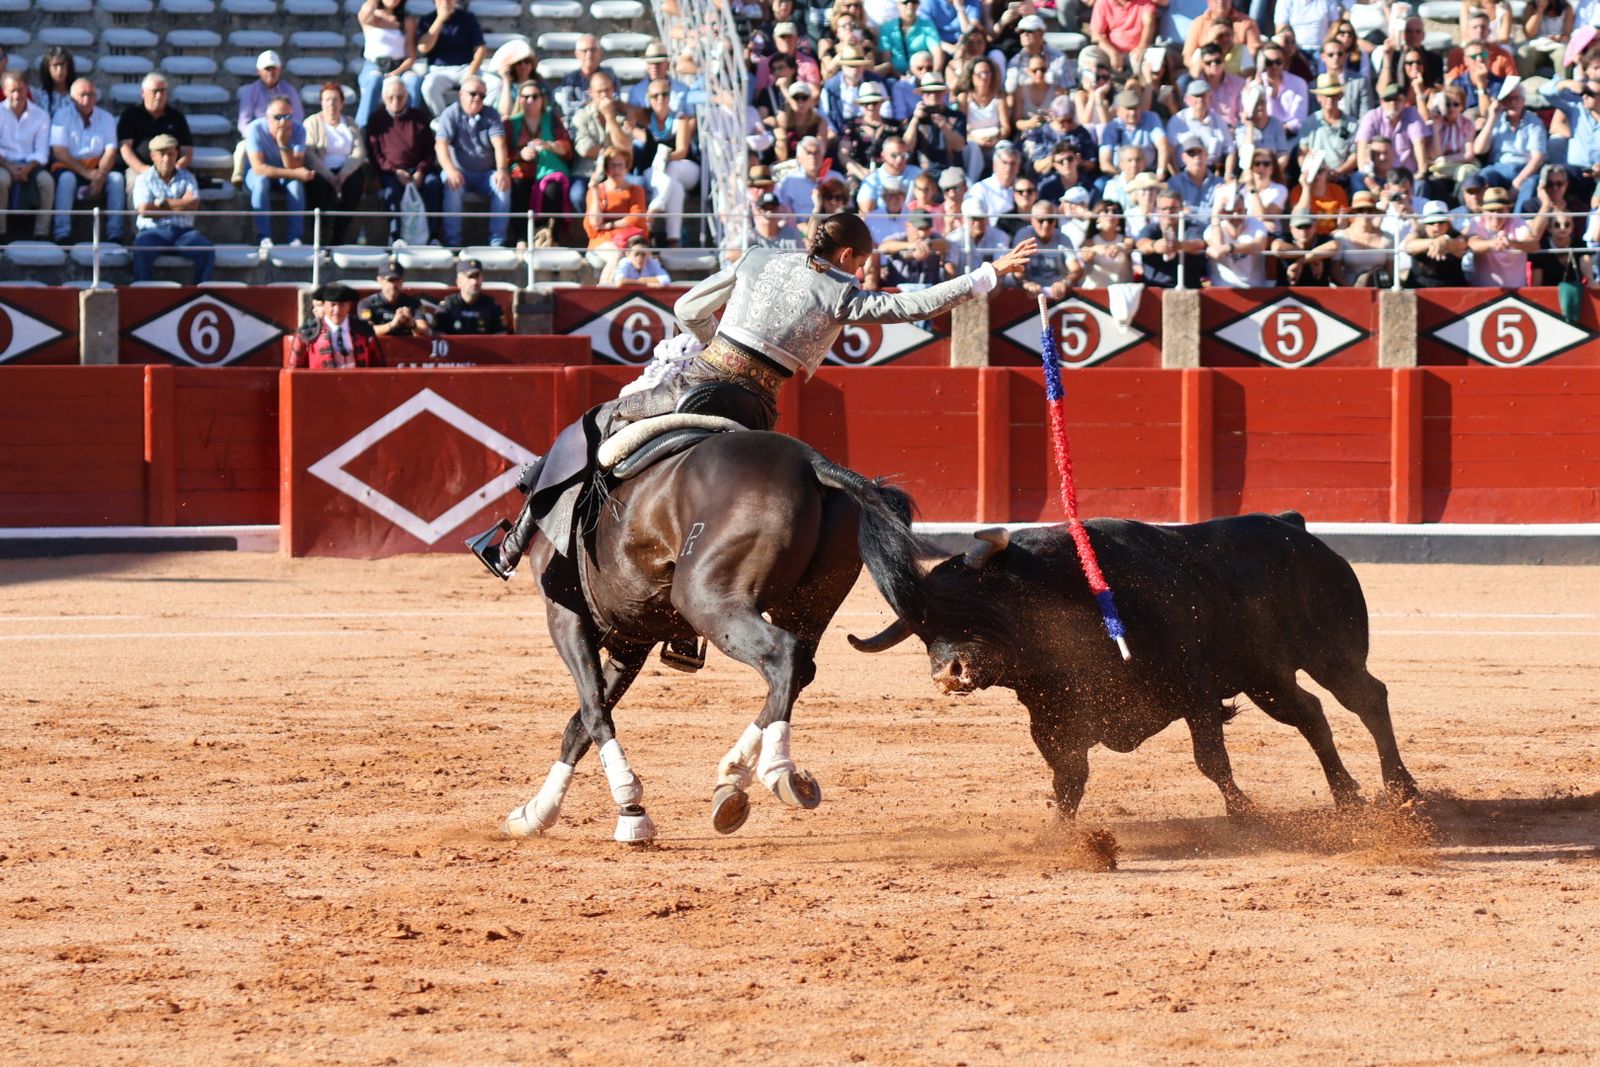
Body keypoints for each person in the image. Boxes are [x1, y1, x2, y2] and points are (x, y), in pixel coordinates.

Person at [470, 212, 1038, 582]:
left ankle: (512, 541)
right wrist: (986, 274)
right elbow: (912, 306)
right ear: (847, 257)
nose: (862, 272)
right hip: (755, 409)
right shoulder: (840, 292)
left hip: (697, 382)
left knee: (598, 423)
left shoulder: (757, 258)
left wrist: (709, 342)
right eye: (862, 264)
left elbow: (687, 308)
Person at [435, 76, 511, 248]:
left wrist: (502, 170)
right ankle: (452, 242)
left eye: (482, 96)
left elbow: (499, 145)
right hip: (459, 172)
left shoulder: (491, 114)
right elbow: (441, 145)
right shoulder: (450, 114)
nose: (477, 98)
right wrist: (451, 170)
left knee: (502, 185)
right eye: (473, 94)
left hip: (486, 175)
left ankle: (498, 242)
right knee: (451, 184)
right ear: (461, 94)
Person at [368, 76, 442, 245]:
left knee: (434, 185)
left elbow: (429, 151)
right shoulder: (376, 119)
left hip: (418, 170)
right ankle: (395, 236)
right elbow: (375, 154)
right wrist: (395, 171)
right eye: (391, 97)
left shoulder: (419, 117)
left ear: (407, 96)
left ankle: (433, 236)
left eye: (400, 96)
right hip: (390, 171)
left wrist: (420, 171)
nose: (395, 101)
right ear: (384, 98)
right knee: (391, 190)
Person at [130, 134, 213, 283]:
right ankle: (144, 292)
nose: (167, 159)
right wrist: (181, 204)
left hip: (184, 233)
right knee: (140, 248)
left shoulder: (188, 177)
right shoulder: (143, 178)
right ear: (153, 156)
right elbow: (144, 210)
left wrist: (161, 203)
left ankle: (201, 292)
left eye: (170, 154)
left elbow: (193, 205)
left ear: (176, 154)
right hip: (152, 232)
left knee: (206, 249)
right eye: (162, 154)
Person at [50, 79, 123, 245]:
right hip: (70, 166)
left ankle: (116, 233)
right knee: (66, 179)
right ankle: (62, 232)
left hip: (99, 166)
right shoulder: (61, 116)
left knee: (117, 180)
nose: (87, 99)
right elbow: (59, 152)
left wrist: (100, 176)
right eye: (82, 95)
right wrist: (88, 173)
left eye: (91, 95)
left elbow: (111, 151)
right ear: (72, 97)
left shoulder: (106, 118)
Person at [304, 83, 367, 246]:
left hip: (346, 170)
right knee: (319, 186)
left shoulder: (350, 123)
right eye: (327, 100)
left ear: (342, 103)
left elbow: (359, 152)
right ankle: (321, 236)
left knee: (355, 184)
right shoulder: (312, 122)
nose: (331, 104)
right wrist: (329, 176)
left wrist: (344, 174)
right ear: (321, 102)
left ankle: (339, 236)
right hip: (322, 170)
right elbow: (309, 154)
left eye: (335, 100)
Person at [1473, 80, 1548, 215]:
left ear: (1523, 100)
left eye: (1517, 98)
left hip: (1524, 169)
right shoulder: (1496, 119)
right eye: (1509, 99)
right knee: (1484, 176)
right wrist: (1492, 118)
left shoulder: (1534, 123)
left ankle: (1518, 220)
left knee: (1531, 183)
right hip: (1498, 168)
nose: (1513, 102)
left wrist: (1518, 182)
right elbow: (1479, 150)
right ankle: (1485, 217)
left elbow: (1537, 158)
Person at [243, 98, 311, 247]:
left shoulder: (299, 130)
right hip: (257, 175)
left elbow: (294, 166)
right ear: (267, 117)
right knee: (261, 182)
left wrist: (283, 144)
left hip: (284, 176)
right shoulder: (255, 128)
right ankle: (263, 237)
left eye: (287, 117)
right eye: (278, 117)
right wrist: (294, 174)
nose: (283, 122)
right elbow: (259, 168)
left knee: (295, 186)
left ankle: (295, 238)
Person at [568, 71, 634, 222]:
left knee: (640, 185)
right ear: (591, 93)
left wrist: (610, 117)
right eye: (599, 91)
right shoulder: (581, 116)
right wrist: (613, 150)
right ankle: (593, 228)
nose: (604, 95)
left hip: (617, 171)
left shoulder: (620, 116)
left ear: (613, 90)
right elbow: (586, 149)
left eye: (607, 90)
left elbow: (625, 148)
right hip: (587, 172)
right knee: (577, 195)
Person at [507, 81, 572, 231]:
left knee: (553, 189)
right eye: (526, 97)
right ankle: (522, 237)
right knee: (518, 184)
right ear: (520, 99)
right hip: (522, 171)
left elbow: (567, 149)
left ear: (542, 99)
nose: (530, 100)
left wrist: (549, 145)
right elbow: (503, 152)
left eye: (535, 96)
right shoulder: (511, 123)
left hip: (549, 170)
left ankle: (549, 235)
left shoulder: (552, 119)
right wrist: (521, 153)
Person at [232, 51, 303, 187]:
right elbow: (243, 123)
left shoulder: (290, 90)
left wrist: (284, 133)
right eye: (266, 69)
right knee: (242, 147)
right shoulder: (250, 92)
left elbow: (297, 117)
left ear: (279, 70)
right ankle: (238, 175)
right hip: (258, 138)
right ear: (259, 71)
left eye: (273, 68)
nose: (270, 72)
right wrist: (259, 135)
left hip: (286, 136)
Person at [0, 73, 55, 241]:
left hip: (31, 165)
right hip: (3, 163)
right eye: (12, 90)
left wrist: (26, 169)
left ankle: (41, 233)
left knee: (47, 182)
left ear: (27, 89)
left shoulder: (41, 115)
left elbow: (42, 151)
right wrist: (10, 167)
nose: (17, 95)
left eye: (20, 90)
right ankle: (1, 231)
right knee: (1, 180)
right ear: (4, 91)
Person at [1464, 184, 1550, 285]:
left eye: (1500, 210)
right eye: (1491, 210)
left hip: (1517, 293)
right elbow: (1473, 244)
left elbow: (1534, 245)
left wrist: (1511, 243)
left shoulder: (1517, 222)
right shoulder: (1476, 222)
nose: (1495, 215)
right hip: (1483, 292)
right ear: (1483, 211)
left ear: (1507, 210)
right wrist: (1492, 243)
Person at [356, 0, 423, 127]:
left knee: (414, 81)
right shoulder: (372, 16)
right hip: (374, 65)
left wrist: (395, 73)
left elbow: (411, 57)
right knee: (374, 79)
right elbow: (364, 14)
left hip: (399, 66)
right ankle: (362, 127)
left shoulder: (407, 20)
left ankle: (412, 127)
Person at [118, 74, 194, 185]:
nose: (159, 96)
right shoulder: (130, 115)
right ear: (143, 93)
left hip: (173, 170)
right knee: (135, 183)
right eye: (155, 91)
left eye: (162, 91)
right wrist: (143, 169)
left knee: (188, 185)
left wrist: (175, 169)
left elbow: (187, 151)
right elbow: (125, 149)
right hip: (139, 169)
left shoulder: (176, 116)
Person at [418, 0, 488, 117]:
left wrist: (471, 73)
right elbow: (423, 47)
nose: (446, 2)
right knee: (428, 87)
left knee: (495, 84)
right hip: (439, 70)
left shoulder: (468, 18)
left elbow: (480, 49)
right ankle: (443, 120)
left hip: (466, 68)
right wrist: (440, 19)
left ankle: (482, 119)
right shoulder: (427, 20)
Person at [287, 284, 383, 368]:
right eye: (332, 305)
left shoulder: (364, 329)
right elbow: (293, 370)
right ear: (324, 305)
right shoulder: (308, 333)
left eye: (342, 305)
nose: (337, 310)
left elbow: (379, 366)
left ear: (349, 305)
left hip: (358, 383)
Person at [1135, 187, 1207, 287]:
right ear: (1157, 210)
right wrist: (1155, 246)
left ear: (1181, 209)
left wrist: (1179, 245)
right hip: (1155, 288)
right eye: (1164, 209)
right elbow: (1141, 244)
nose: (1168, 212)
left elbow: (1198, 244)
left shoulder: (1191, 228)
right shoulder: (1150, 228)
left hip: (1188, 288)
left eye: (1173, 208)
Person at [1204, 187, 1272, 287]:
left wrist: (1229, 247)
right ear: (1223, 213)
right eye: (1231, 211)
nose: (1235, 215)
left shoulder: (1256, 224)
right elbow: (1217, 249)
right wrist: (1215, 216)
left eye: (1240, 211)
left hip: (1254, 288)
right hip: (1223, 289)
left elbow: (1260, 245)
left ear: (1245, 211)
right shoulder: (1212, 229)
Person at [359, 258, 433, 336]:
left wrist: (412, 325)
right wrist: (392, 324)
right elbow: (366, 330)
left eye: (397, 280)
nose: (394, 285)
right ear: (379, 280)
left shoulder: (414, 303)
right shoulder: (367, 303)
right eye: (390, 280)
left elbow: (425, 331)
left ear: (402, 280)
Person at [1403, 202, 1469, 287]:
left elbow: (1462, 244)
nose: (1437, 227)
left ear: (1448, 224)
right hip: (1420, 286)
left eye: (1441, 222)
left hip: (1452, 286)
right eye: (1431, 222)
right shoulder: (1417, 235)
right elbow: (1408, 246)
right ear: (1425, 225)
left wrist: (1446, 241)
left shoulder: (1456, 236)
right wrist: (1433, 242)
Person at [434, 257, 507, 334]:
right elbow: (439, 336)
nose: (474, 282)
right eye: (470, 277)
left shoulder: (491, 305)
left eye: (477, 276)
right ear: (458, 282)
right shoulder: (449, 305)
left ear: (482, 279)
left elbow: (501, 336)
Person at [553, 34, 612, 122]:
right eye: (585, 50)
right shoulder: (569, 79)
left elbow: (614, 101)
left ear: (600, 52)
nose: (589, 54)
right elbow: (567, 108)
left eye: (593, 50)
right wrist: (595, 104)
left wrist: (583, 104)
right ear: (577, 54)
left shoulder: (609, 75)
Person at [1270, 211, 1338, 284]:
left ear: (1315, 227)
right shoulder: (1286, 238)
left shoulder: (1322, 238)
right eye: (1299, 227)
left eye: (1307, 226)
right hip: (1287, 289)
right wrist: (1314, 257)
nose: (1303, 231)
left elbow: (1334, 246)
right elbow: (1277, 248)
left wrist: (1300, 262)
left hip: (1319, 289)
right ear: (1291, 228)